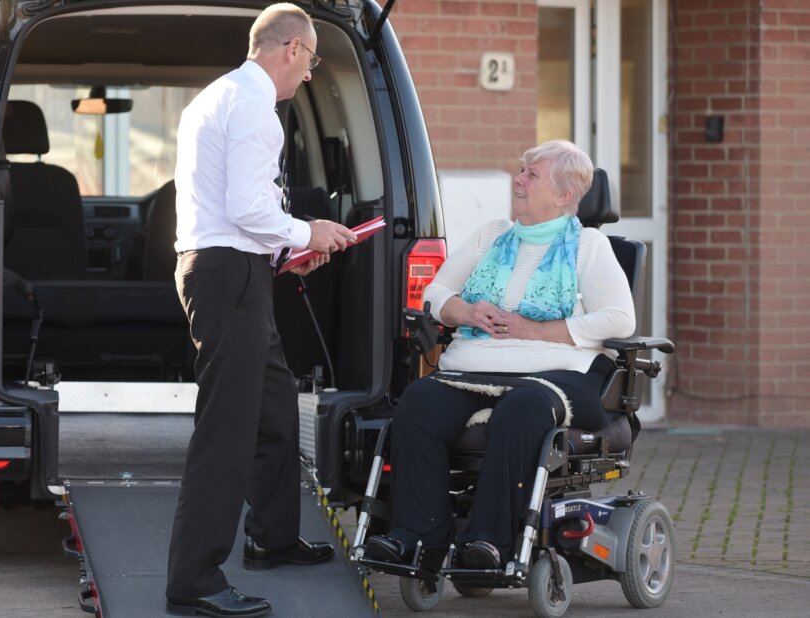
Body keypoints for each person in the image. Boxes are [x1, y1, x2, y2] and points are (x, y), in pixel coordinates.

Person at [363, 140, 636, 573]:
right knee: (417, 403)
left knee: (521, 409)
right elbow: (435, 293)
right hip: (474, 364)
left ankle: (489, 542)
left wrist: (541, 331)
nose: (520, 179)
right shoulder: (492, 235)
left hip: (553, 373)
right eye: (521, 170)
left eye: (532, 174)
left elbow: (621, 319)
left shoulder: (588, 247)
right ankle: (418, 539)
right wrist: (466, 311)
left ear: (564, 195)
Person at [165, 4, 357, 617]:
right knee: (228, 428)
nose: (307, 77)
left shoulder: (216, 98)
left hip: (230, 267)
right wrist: (310, 232)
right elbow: (249, 207)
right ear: (292, 49)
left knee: (274, 404)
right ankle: (193, 580)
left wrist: (282, 250)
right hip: (228, 275)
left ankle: (271, 537)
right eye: (310, 62)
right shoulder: (253, 106)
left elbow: (236, 212)